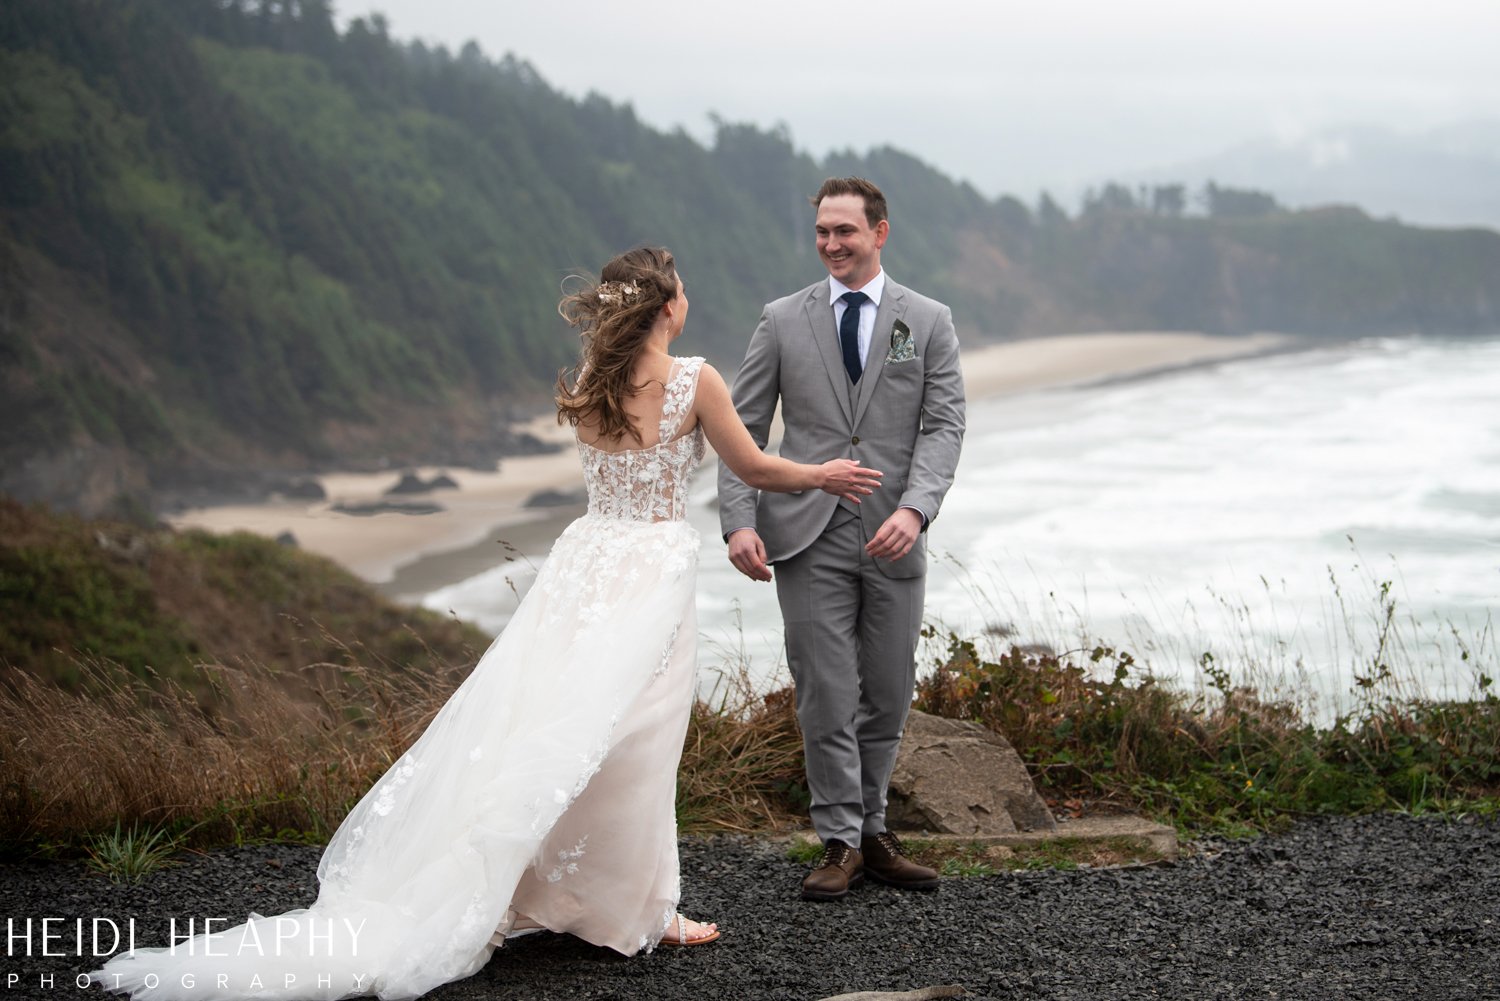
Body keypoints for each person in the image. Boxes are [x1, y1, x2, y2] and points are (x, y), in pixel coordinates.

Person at [89, 246, 883, 1000]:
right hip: (651, 569)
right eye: (681, 291)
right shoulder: (692, 379)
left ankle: (561, 889)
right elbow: (751, 466)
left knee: (551, 725)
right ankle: (636, 910)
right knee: (640, 738)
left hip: (583, 565)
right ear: (669, 305)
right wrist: (822, 472)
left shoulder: (588, 383)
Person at [718, 177, 966, 901]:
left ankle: (874, 831)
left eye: (845, 231)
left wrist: (916, 509)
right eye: (823, 231)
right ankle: (838, 837)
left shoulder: (928, 320)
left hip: (894, 533)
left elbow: (944, 426)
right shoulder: (780, 319)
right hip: (804, 534)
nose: (831, 243)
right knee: (826, 691)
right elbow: (742, 426)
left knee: (887, 692)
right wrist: (738, 519)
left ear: (879, 233)